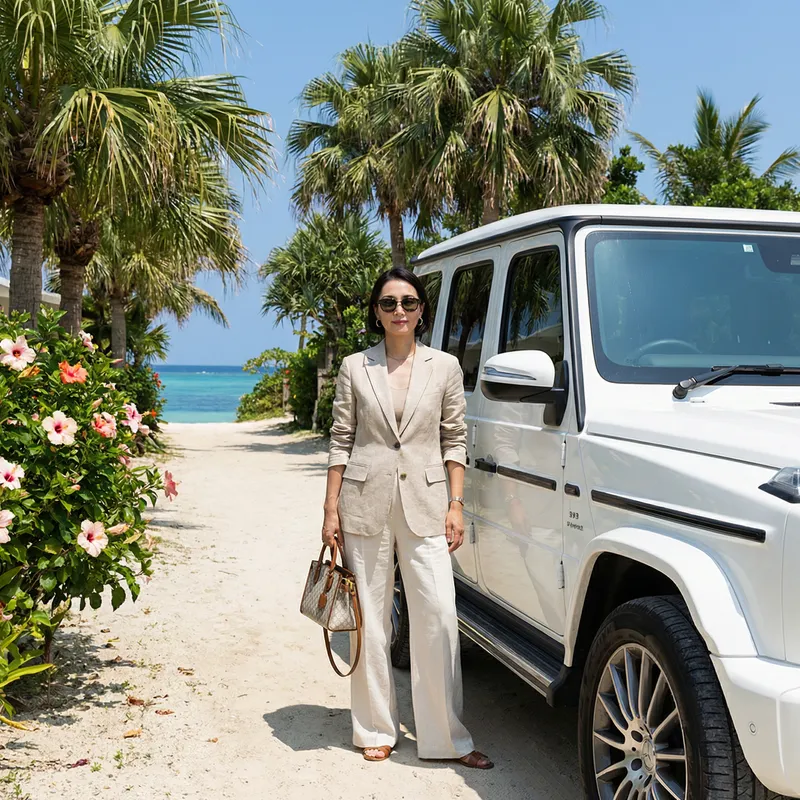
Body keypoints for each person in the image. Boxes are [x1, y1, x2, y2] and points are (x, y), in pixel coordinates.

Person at [322, 267, 493, 769]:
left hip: (427, 504)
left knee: (438, 616)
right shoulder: (356, 367)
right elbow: (340, 439)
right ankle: (375, 728)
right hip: (362, 502)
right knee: (370, 622)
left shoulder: (445, 368)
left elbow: (455, 438)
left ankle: (446, 739)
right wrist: (330, 508)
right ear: (376, 311)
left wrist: (456, 505)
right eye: (390, 303)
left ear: (422, 311)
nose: (401, 311)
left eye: (410, 303)